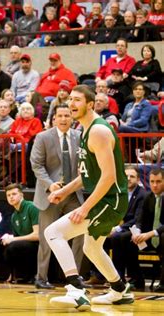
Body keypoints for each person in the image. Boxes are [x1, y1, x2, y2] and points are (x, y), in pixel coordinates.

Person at [46, 85, 133, 311]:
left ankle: (77, 291)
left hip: (110, 200)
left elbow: (108, 176)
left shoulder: (99, 131)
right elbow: (87, 174)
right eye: (70, 100)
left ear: (90, 104)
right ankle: (119, 290)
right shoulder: (85, 130)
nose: (72, 104)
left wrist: (84, 207)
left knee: (53, 233)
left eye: (77, 100)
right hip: (107, 199)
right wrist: (64, 191)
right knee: (92, 248)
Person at [30, 105, 84, 290]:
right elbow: (36, 164)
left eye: (67, 115)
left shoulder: (80, 136)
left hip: (73, 194)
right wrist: (50, 184)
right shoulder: (43, 137)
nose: (63, 119)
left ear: (72, 118)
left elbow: (84, 162)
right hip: (50, 195)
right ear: (53, 119)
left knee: (79, 234)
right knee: (46, 237)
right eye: (59, 116)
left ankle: (74, 278)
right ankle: (41, 277)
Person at [0, 184, 39, 282]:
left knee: (13, 247)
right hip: (24, 244)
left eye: (14, 194)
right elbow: (17, 238)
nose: (11, 197)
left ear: (21, 195)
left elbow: (37, 235)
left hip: (37, 245)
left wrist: (13, 239)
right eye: (8, 195)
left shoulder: (31, 207)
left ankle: (25, 276)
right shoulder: (14, 216)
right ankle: (3, 276)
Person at [131, 169, 164, 292]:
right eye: (152, 181)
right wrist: (138, 232)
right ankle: (136, 280)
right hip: (150, 239)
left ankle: (163, 283)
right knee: (125, 238)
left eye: (159, 181)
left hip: (160, 237)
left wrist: (151, 233)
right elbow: (140, 219)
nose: (155, 185)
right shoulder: (147, 197)